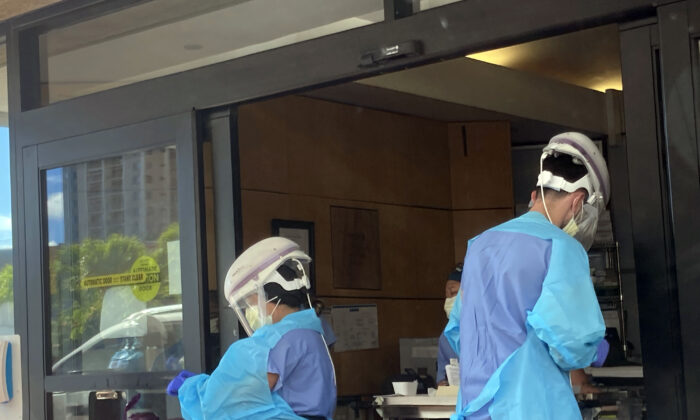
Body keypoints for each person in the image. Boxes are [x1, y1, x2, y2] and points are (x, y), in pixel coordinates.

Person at [449, 132, 609, 419]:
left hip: (474, 409)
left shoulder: (480, 246)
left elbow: (459, 332)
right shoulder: (561, 247)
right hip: (530, 408)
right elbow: (572, 345)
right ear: (578, 201)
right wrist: (598, 349)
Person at [168, 237, 337, 420]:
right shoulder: (313, 331)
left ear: (268, 297)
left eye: (250, 304)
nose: (250, 311)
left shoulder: (274, 343)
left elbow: (232, 401)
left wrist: (193, 388)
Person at [437, 264, 462, 386]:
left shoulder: (487, 329)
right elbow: (441, 381)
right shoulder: (446, 337)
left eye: (454, 292)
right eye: (447, 293)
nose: (449, 298)